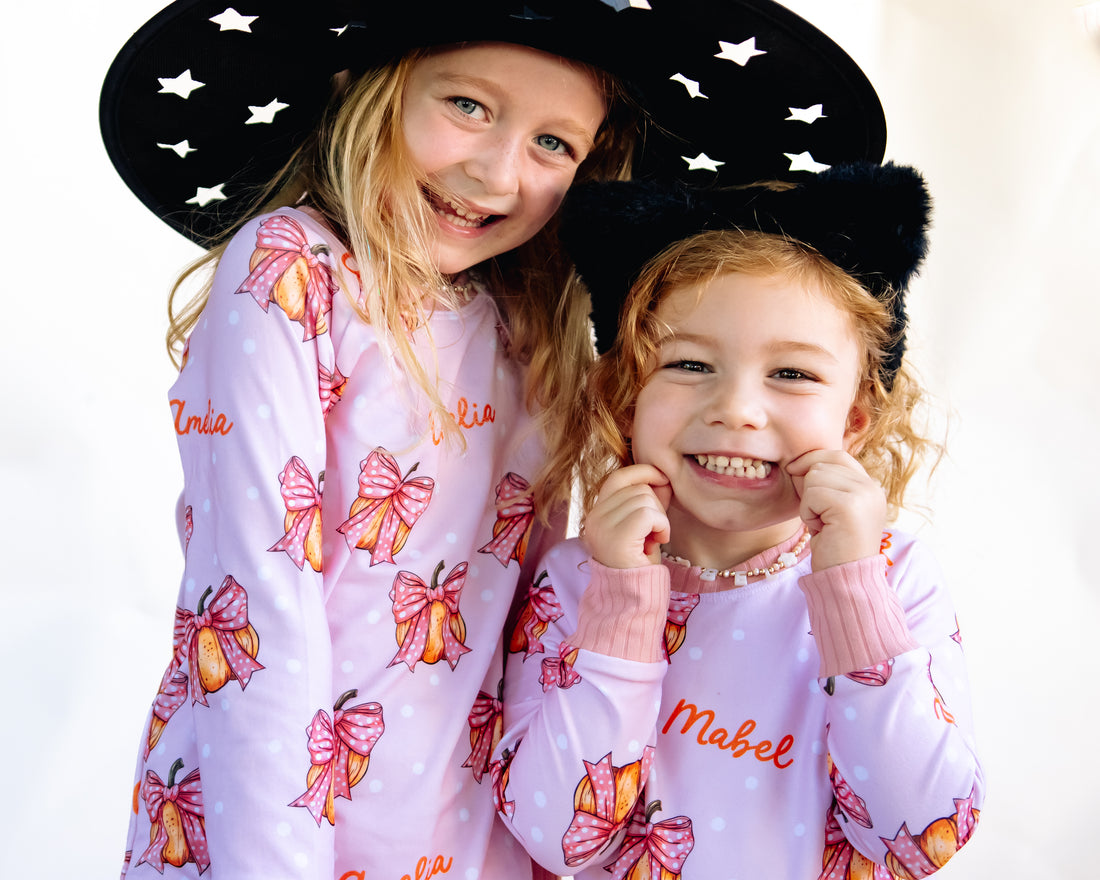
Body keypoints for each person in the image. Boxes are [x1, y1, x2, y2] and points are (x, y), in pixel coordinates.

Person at [99, 1, 893, 877]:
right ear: (377, 91)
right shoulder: (294, 270)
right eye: (468, 106)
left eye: (555, 144)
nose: (496, 170)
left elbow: (538, 619)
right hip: (274, 821)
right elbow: (255, 600)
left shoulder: (529, 324)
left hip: (475, 833)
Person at [494, 162, 985, 879]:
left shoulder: (892, 575)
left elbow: (917, 839)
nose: (736, 409)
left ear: (853, 420)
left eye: (791, 374)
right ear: (629, 398)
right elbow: (556, 835)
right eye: (690, 364)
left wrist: (851, 587)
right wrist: (623, 608)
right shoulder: (577, 580)